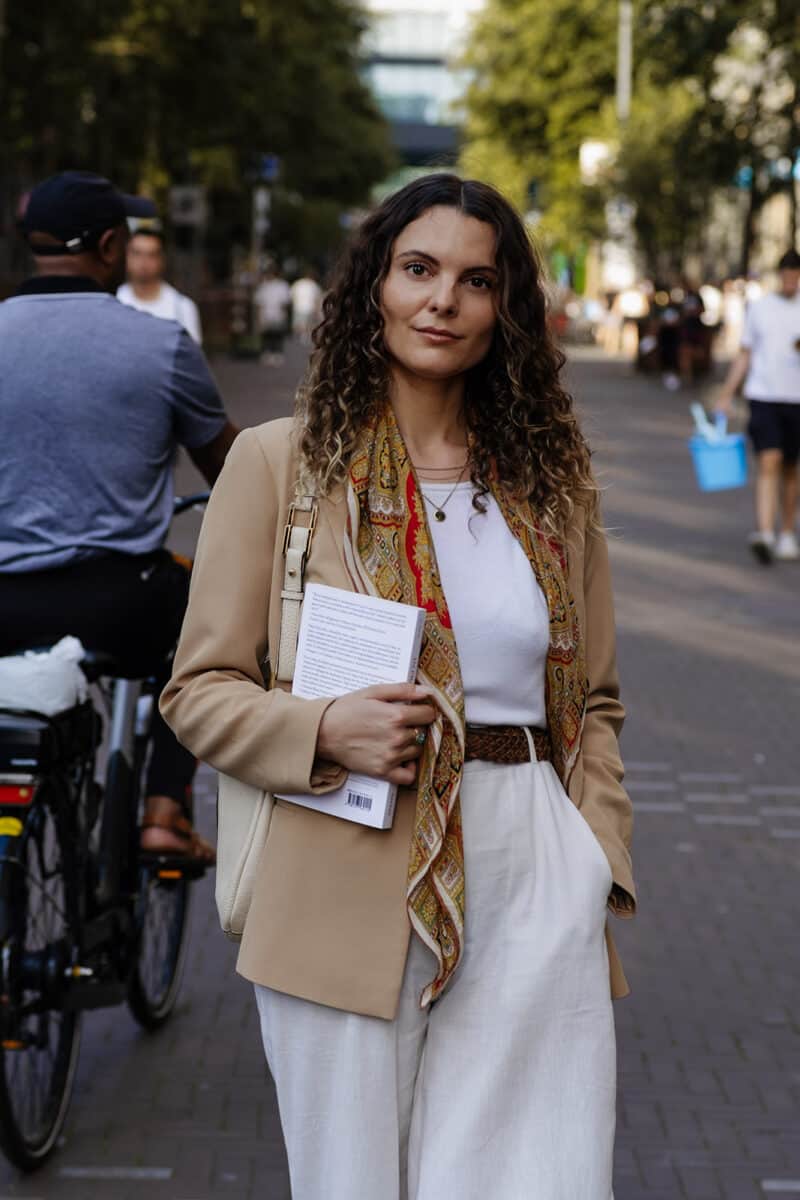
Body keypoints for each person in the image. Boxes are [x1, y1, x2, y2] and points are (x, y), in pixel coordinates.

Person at [161, 173, 636, 1198]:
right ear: (372, 283)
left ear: (503, 308)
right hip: (344, 859)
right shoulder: (280, 465)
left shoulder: (550, 485)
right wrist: (320, 727)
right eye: (417, 269)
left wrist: (593, 857)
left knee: (536, 1180)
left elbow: (593, 700)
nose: (441, 302)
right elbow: (197, 690)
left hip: (531, 870)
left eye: (474, 281)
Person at [0, 170, 239, 861]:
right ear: (109, 246)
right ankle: (163, 812)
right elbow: (232, 471)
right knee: (207, 614)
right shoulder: (160, 346)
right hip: (118, 603)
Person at [717, 248, 800, 564]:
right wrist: (727, 393)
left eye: (796, 276)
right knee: (769, 460)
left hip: (796, 399)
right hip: (763, 396)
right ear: (780, 275)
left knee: (791, 468)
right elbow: (745, 354)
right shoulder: (761, 308)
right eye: (787, 276)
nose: (791, 282)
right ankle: (765, 532)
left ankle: (787, 532)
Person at [117, 227, 203, 344]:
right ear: (126, 256)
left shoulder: (183, 308)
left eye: (151, 255)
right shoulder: (114, 301)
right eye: (137, 253)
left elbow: (191, 358)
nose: (144, 262)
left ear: (162, 259)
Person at [254, 264, 291, 364]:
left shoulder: (272, 286)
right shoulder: (266, 286)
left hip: (273, 314)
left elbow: (284, 303)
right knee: (269, 335)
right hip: (269, 314)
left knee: (275, 335)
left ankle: (275, 354)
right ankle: (269, 354)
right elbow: (260, 304)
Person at [290, 269, 323, 342]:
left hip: (298, 307)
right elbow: (317, 299)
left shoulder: (297, 283)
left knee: (299, 324)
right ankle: (306, 337)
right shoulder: (314, 285)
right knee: (309, 324)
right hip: (310, 308)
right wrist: (317, 311)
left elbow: (292, 296)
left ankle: (300, 337)